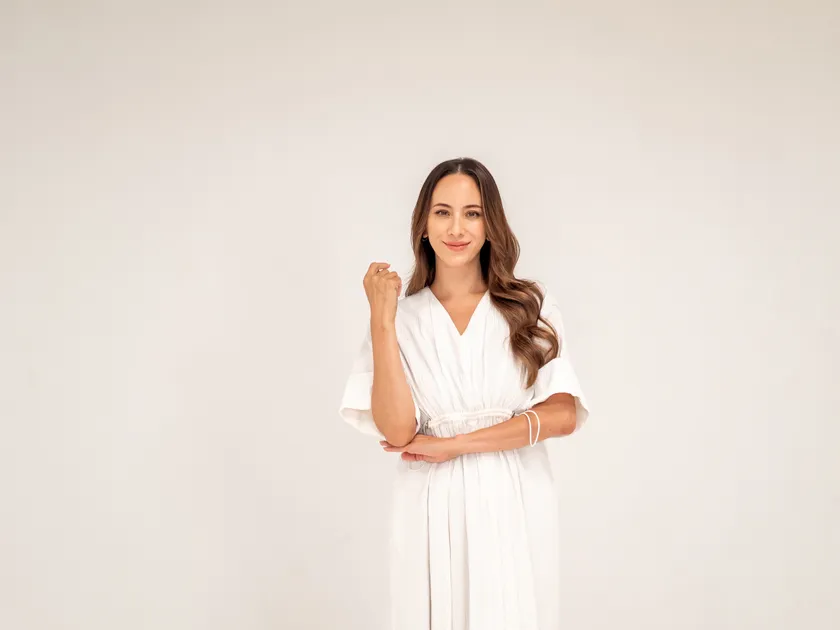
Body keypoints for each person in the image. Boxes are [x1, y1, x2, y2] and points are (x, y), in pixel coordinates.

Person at [338, 157, 590, 630]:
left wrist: (455, 445)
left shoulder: (528, 305)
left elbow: (562, 415)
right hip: (430, 502)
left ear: (491, 224)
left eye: (472, 213)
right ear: (423, 224)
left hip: (515, 496)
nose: (457, 228)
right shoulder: (403, 318)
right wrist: (382, 319)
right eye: (443, 212)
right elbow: (398, 430)